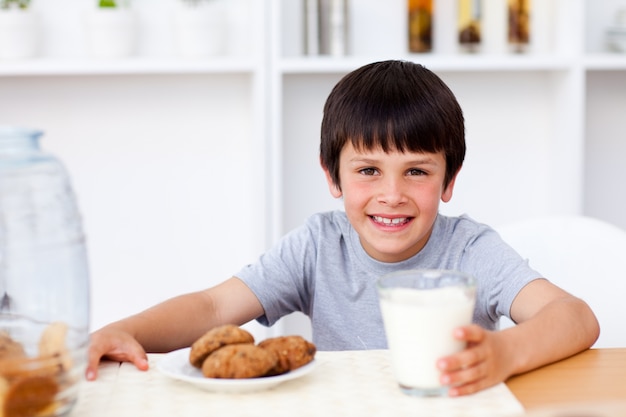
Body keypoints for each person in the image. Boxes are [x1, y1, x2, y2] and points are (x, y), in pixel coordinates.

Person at [86, 60, 599, 396]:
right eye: (368, 170)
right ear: (333, 176)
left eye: (416, 171)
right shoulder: (317, 246)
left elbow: (574, 317)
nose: (391, 194)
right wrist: (128, 330)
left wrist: (506, 353)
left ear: (448, 181)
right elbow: (215, 308)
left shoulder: (469, 250)